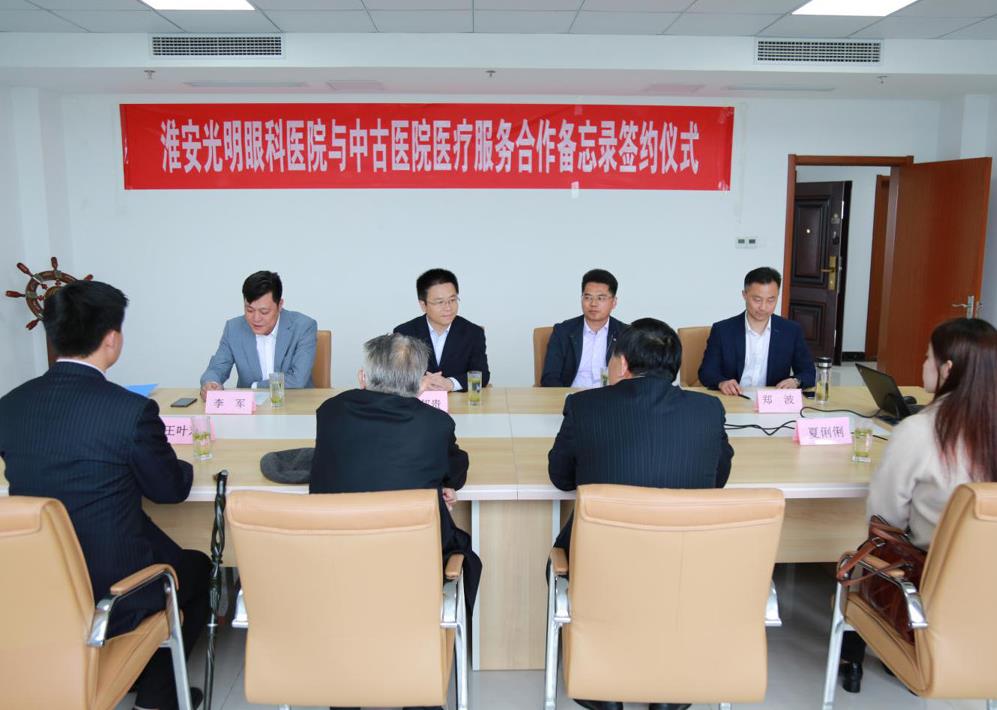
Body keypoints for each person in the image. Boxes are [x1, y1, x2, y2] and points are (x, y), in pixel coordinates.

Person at [0, 281, 209, 710]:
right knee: (197, 569)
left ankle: (132, 671)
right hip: (110, 588)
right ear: (112, 339)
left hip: (33, 582)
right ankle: (158, 698)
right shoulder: (130, 411)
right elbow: (169, 490)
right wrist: (189, 465)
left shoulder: (10, 405)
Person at [547, 318, 734, 710]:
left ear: (623, 364)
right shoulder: (708, 409)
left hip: (603, 560)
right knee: (664, 586)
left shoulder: (584, 406)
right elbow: (717, 479)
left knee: (560, 565)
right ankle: (667, 691)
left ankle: (602, 688)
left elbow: (561, 477)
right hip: (684, 559)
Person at [309, 334, 482, 710]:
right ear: (419, 384)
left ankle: (347, 690)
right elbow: (454, 470)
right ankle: (430, 666)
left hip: (337, 558)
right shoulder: (435, 424)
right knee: (465, 555)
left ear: (363, 377)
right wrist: (439, 483)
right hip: (412, 565)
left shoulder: (330, 412)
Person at [839, 317, 997, 694]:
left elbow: (883, 519)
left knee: (857, 556)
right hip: (987, 591)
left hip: (927, 589)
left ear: (947, 369)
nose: (923, 364)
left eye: (928, 357)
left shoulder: (922, 431)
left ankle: (855, 653)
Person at [698, 266, 816, 396]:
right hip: (734, 398)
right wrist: (722, 382)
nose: (763, 307)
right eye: (757, 300)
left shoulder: (791, 331)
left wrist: (795, 381)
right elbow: (706, 372)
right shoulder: (722, 330)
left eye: (771, 300)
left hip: (772, 400)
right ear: (744, 295)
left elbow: (809, 372)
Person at [200, 270, 317, 398]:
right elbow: (217, 368)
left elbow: (297, 379)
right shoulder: (233, 328)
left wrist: (256, 387)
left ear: (280, 305)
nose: (256, 318)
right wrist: (211, 383)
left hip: (296, 402)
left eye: (264, 312)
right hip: (251, 407)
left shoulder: (303, 327)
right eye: (249, 310)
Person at [394, 268, 489, 392]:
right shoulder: (404, 333)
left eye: (452, 300)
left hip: (459, 401)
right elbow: (394, 376)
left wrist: (451, 383)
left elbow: (482, 375)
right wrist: (420, 382)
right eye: (440, 302)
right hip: (417, 401)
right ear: (423, 305)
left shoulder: (473, 333)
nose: (448, 307)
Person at [540, 268, 626, 387]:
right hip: (571, 395)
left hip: (611, 395)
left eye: (600, 298)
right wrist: (565, 397)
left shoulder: (625, 334)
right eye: (588, 297)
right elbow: (550, 377)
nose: (593, 304)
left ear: (614, 302)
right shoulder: (563, 331)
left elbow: (633, 378)